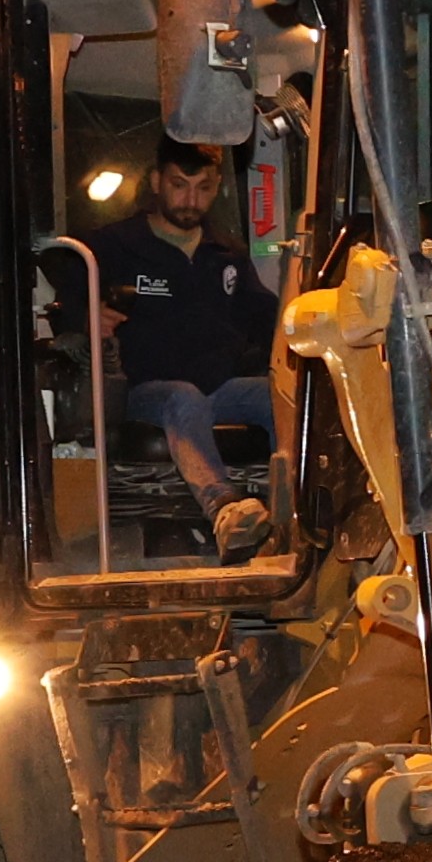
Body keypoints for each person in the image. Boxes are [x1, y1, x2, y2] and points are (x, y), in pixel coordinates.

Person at [92, 139, 279, 561]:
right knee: (184, 397)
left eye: (204, 188)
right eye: (179, 185)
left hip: (220, 387)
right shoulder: (114, 245)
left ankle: (301, 504)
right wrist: (90, 315)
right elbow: (66, 285)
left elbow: (265, 314)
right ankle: (225, 509)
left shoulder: (226, 253)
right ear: (157, 181)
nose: (191, 199)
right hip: (147, 391)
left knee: (282, 393)